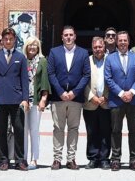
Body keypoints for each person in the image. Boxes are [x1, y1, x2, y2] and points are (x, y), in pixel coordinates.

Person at [46, 25, 88, 169]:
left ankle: (71, 159)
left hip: (75, 98)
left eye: (71, 34)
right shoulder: (54, 52)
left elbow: (86, 75)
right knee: (58, 128)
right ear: (62, 37)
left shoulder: (83, 53)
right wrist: (60, 92)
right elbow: (50, 73)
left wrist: (74, 92)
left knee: (73, 128)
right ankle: (57, 159)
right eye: (66, 35)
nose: (68, 37)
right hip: (59, 98)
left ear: (75, 36)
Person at [0, 26, 30, 170]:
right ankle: (4, 160)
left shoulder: (20, 57)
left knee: (19, 130)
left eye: (11, 39)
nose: (8, 41)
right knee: (1, 131)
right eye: (6, 39)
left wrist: (25, 99)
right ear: (2, 41)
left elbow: (25, 80)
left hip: (16, 99)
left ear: (14, 40)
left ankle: (19, 160)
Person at [104, 29, 135, 171]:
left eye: (124, 40)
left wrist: (131, 92)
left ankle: (133, 159)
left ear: (128, 41)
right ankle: (115, 159)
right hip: (116, 100)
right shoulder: (110, 58)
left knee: (134, 130)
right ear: (116, 41)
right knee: (115, 130)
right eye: (120, 40)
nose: (122, 43)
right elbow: (108, 78)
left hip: (133, 100)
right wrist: (121, 93)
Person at [83, 35, 112, 169]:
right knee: (92, 131)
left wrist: (105, 96)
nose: (97, 49)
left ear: (104, 47)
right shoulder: (86, 60)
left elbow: (114, 79)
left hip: (106, 102)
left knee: (106, 131)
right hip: (91, 103)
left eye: (100, 46)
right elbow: (82, 80)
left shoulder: (111, 60)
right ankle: (93, 158)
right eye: (95, 47)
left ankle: (105, 158)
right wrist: (91, 96)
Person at [25, 37, 48, 168]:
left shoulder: (42, 61)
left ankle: (34, 159)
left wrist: (43, 99)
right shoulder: (22, 60)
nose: (32, 47)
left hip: (36, 100)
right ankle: (23, 157)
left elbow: (45, 80)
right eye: (30, 45)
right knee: (23, 130)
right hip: (23, 101)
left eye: (35, 45)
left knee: (34, 129)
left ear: (38, 47)